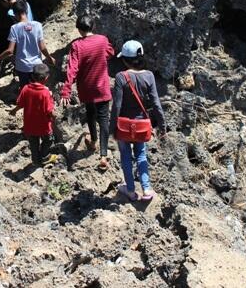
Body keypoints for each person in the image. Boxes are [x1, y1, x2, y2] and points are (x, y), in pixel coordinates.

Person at [111, 40, 166, 202]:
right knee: (141, 155)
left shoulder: (121, 77)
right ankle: (147, 189)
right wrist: (162, 125)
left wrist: (112, 127)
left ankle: (130, 190)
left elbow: (117, 106)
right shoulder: (149, 76)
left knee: (126, 156)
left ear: (125, 60)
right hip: (141, 126)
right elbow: (156, 103)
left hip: (123, 126)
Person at [60, 16, 114, 170]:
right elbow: (110, 52)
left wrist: (66, 91)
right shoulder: (102, 40)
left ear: (78, 29)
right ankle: (103, 156)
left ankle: (93, 141)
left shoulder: (77, 45)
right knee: (104, 118)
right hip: (101, 86)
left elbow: (72, 69)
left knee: (91, 113)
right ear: (93, 26)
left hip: (86, 88)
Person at [0, 0, 55, 88]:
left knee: (25, 88)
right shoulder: (38, 25)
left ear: (14, 13)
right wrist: (49, 58)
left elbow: (10, 51)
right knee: (37, 89)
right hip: (36, 66)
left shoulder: (14, 28)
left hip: (22, 67)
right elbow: (42, 47)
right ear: (26, 10)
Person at [10, 63, 57, 166]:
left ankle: (35, 161)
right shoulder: (45, 93)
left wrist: (14, 111)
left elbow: (20, 104)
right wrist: (55, 116)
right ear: (46, 78)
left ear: (32, 76)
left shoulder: (26, 88)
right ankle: (44, 157)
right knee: (49, 140)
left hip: (29, 125)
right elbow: (50, 111)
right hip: (43, 126)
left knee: (33, 144)